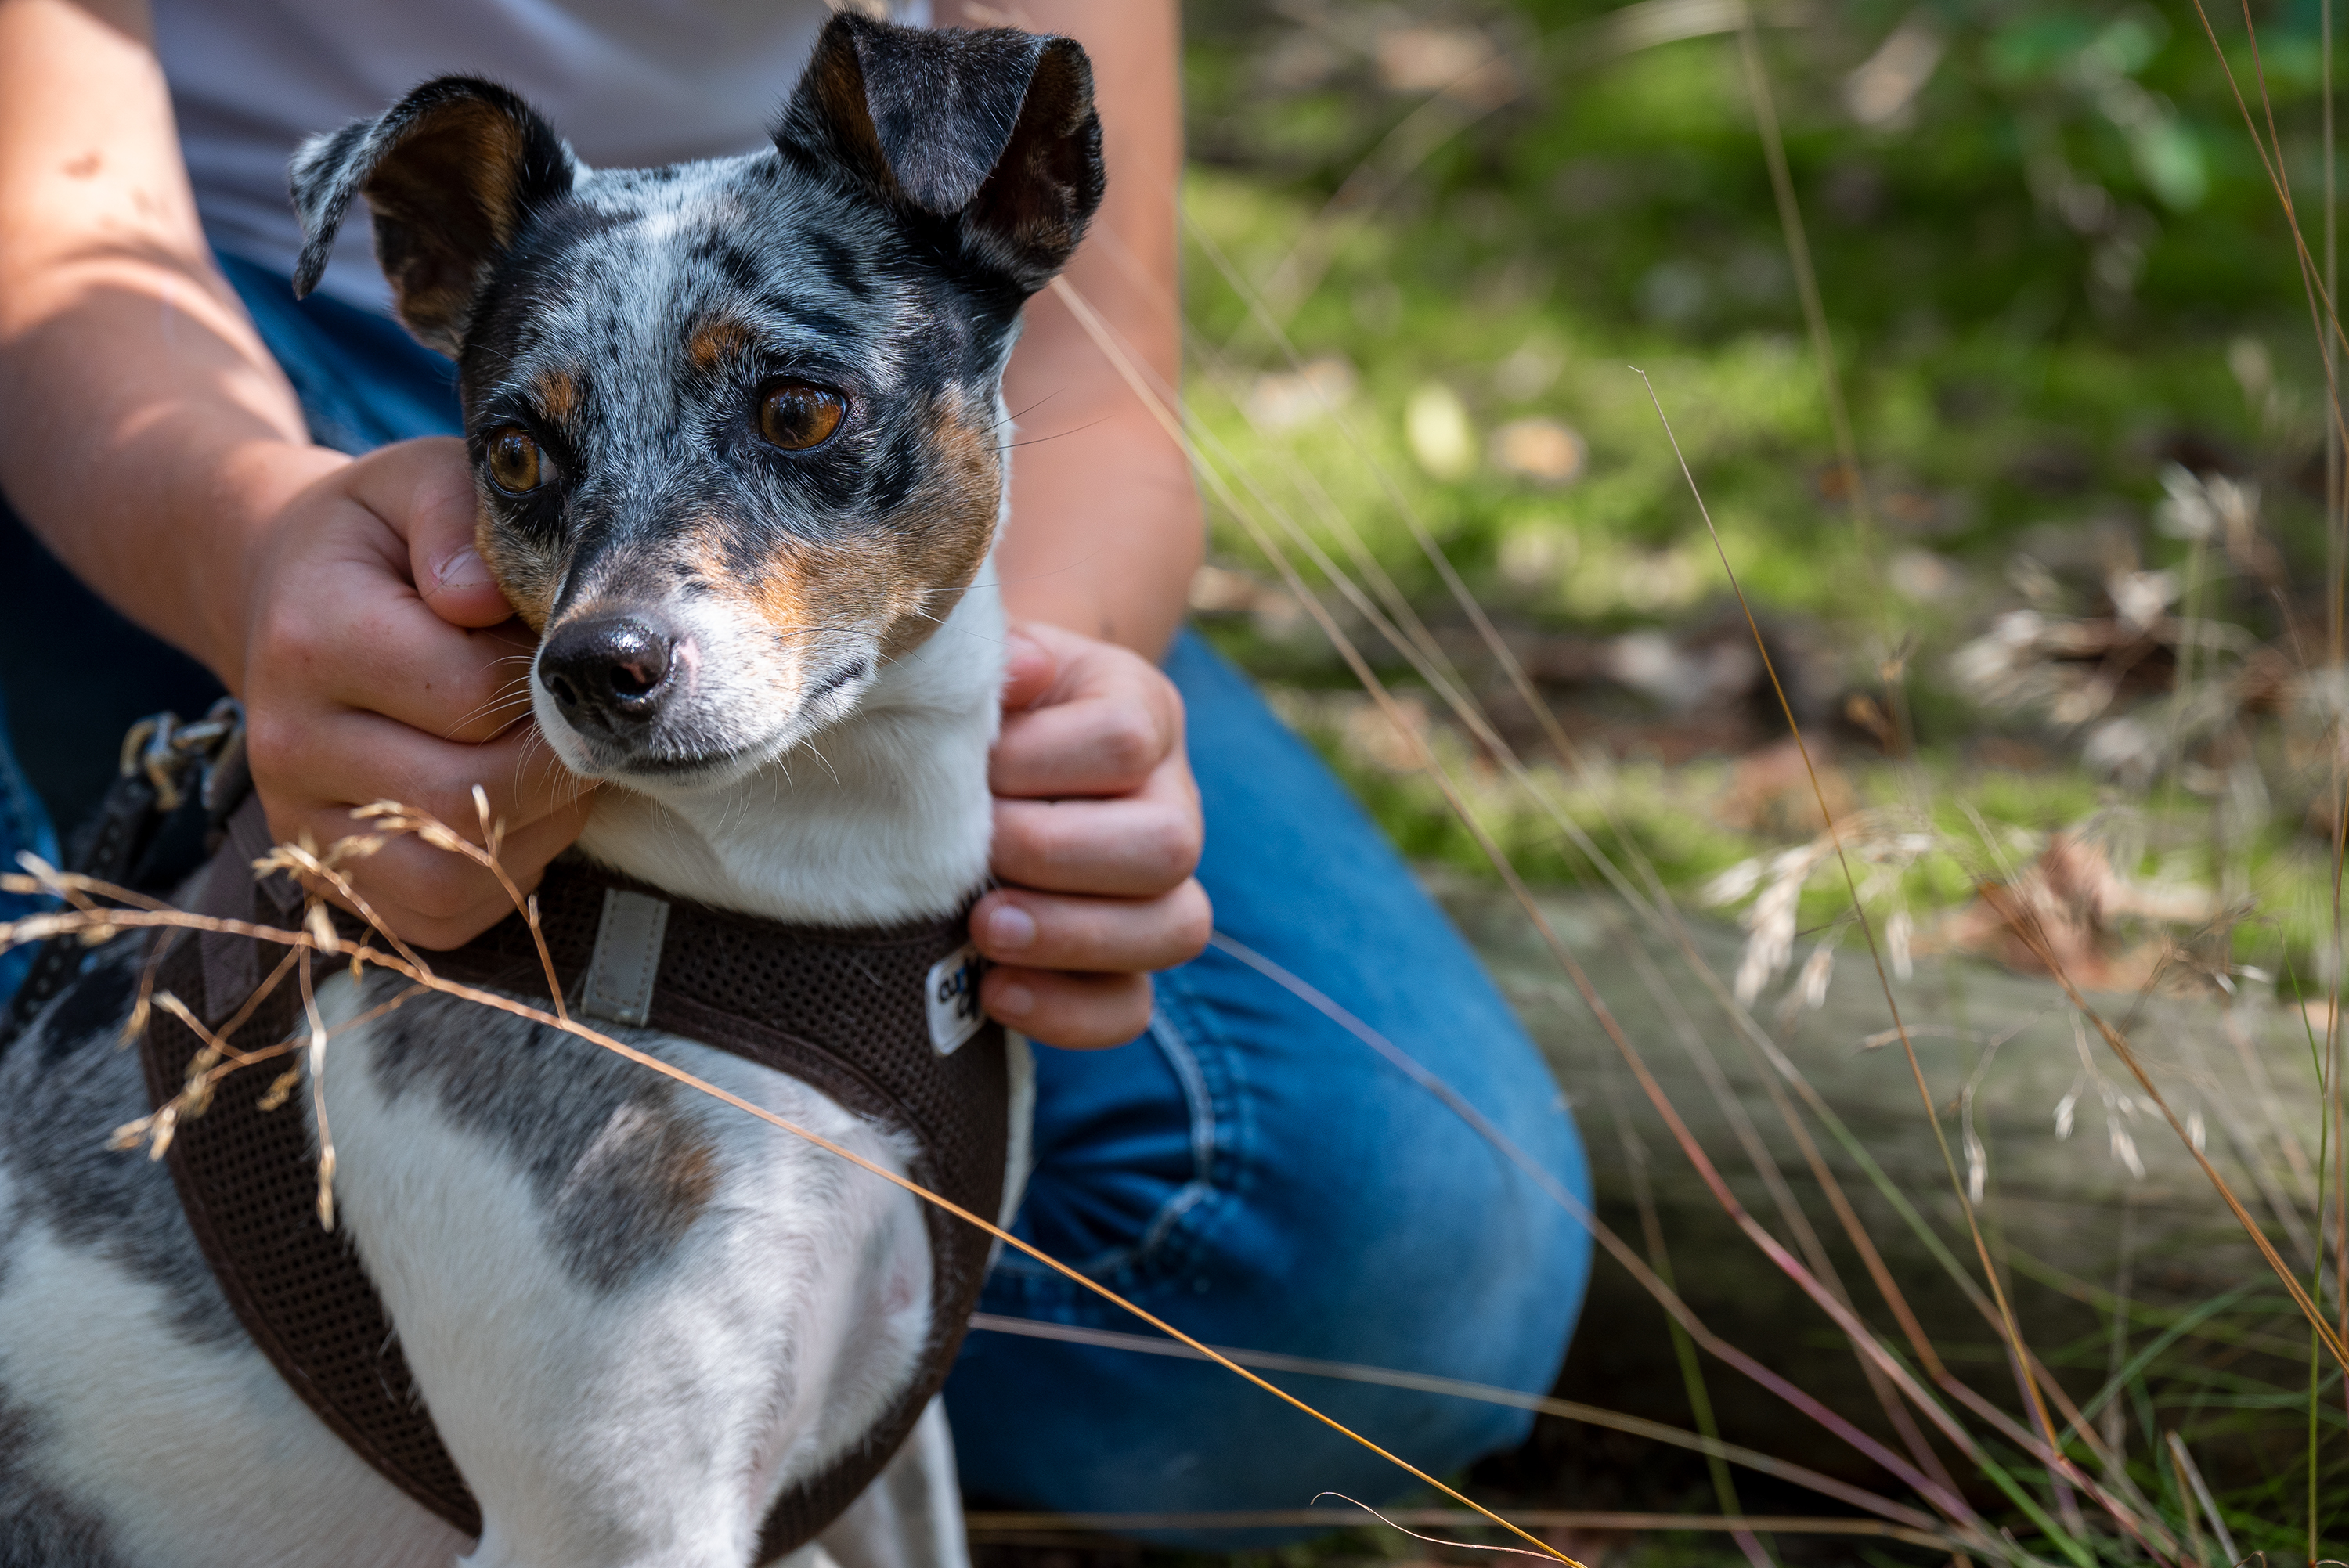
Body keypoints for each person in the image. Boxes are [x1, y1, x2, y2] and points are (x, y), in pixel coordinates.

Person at [0, 0, 1592, 1542]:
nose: (624, 624)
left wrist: (1024, 728)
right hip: (149, 331)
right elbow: (53, 227)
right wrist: (259, 557)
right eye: (540, 473)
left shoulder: (939, 199)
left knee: (1405, 1249)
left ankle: (699, 1358)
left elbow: (1095, 386)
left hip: (817, 279)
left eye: (798, 413)